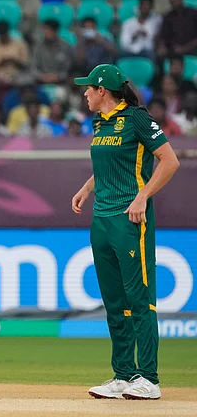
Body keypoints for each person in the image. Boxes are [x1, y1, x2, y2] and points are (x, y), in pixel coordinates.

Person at [72, 64, 180, 400]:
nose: (85, 93)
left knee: (140, 300)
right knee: (114, 302)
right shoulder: (99, 122)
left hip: (130, 220)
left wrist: (142, 197)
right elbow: (108, 165)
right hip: (101, 220)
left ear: (102, 90)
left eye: (88, 88)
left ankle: (149, 378)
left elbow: (169, 160)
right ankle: (123, 375)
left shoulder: (136, 118)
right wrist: (87, 188)